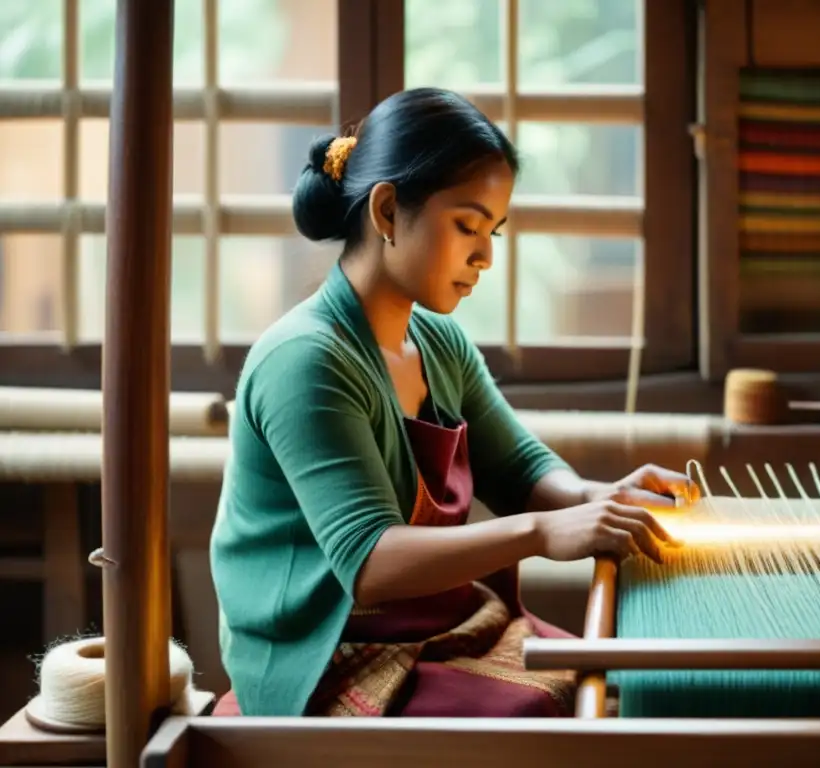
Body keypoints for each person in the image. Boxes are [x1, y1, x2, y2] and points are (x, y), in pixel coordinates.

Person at [209, 86, 696, 719]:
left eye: (493, 230)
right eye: (467, 226)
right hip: (328, 655)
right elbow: (371, 562)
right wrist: (547, 531)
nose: (486, 255)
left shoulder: (439, 340)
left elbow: (521, 472)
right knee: (566, 717)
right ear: (387, 212)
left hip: (440, 626)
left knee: (625, 691)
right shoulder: (304, 360)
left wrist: (599, 501)